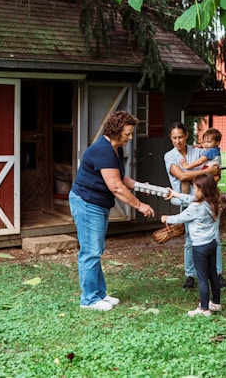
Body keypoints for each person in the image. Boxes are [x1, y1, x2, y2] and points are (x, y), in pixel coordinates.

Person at [69, 110, 155, 311]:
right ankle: (89, 300)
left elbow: (121, 177)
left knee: (96, 249)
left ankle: (99, 294)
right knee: (90, 251)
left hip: (98, 203)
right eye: (127, 134)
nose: (130, 138)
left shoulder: (115, 149)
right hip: (87, 202)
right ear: (116, 131)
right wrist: (140, 205)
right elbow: (116, 187)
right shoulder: (103, 150)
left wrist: (141, 187)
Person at [164, 122, 226, 289]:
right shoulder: (169, 156)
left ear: (186, 136)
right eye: (174, 138)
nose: (178, 141)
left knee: (214, 237)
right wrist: (207, 172)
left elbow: (217, 171)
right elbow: (182, 176)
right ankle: (190, 275)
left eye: (180, 137)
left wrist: (212, 174)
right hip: (187, 201)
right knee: (190, 239)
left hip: (207, 200)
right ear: (170, 138)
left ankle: (217, 274)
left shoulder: (199, 151)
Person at [161, 174, 222, 317]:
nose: (194, 191)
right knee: (212, 274)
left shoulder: (196, 207)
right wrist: (176, 194)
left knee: (202, 277)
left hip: (200, 247)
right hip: (211, 243)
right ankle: (216, 303)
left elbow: (181, 217)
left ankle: (204, 309)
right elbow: (191, 199)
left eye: (195, 188)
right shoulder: (213, 202)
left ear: (202, 190)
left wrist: (166, 218)